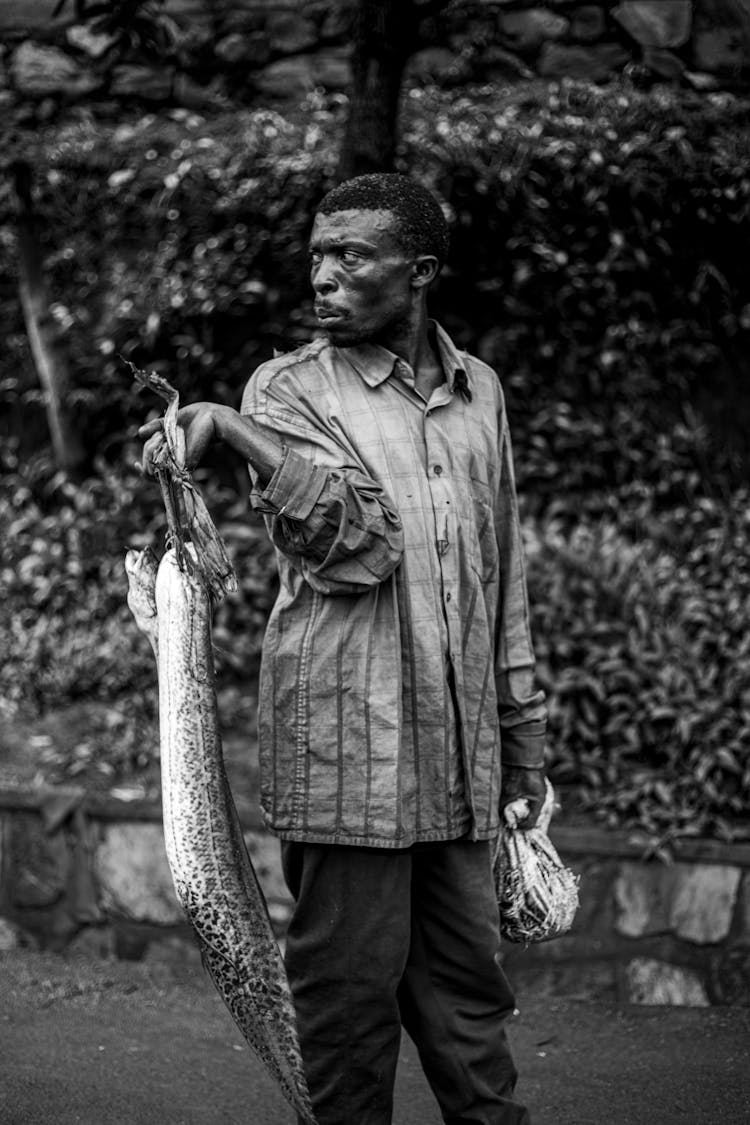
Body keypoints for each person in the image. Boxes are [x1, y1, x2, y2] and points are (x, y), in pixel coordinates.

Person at [141, 173, 548, 1125]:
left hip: (458, 759)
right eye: (318, 256)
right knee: (348, 1017)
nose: (322, 276)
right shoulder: (287, 390)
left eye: (350, 257)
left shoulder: (476, 388)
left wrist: (521, 740)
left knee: (469, 1009)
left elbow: (504, 572)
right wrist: (237, 429)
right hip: (346, 760)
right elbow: (354, 546)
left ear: (420, 271)